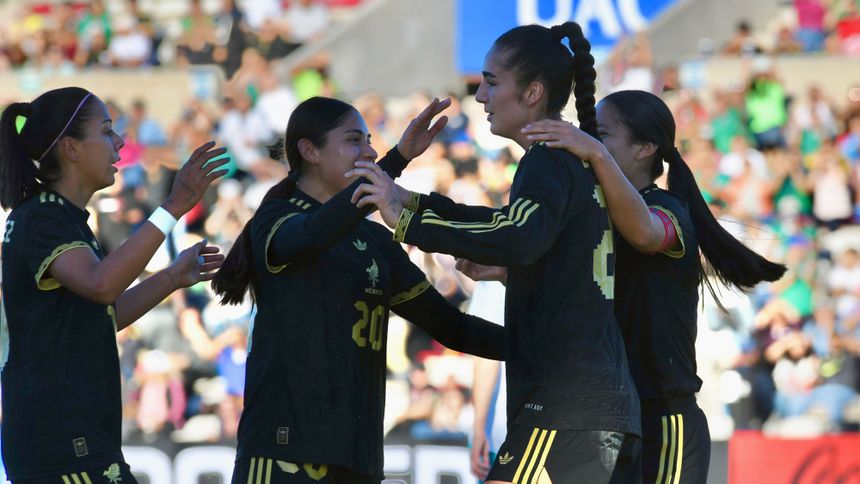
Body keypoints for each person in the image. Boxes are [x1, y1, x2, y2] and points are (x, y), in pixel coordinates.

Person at [351, 22, 641, 483]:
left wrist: (408, 218)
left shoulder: (547, 159)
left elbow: (516, 233)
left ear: (532, 93)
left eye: (490, 82)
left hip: (565, 403)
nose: (481, 97)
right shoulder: (573, 160)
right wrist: (408, 200)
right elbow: (533, 241)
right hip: (597, 401)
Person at [211, 96, 505, 484]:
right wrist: (397, 159)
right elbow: (318, 231)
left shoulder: (374, 240)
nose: (368, 150)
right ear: (309, 150)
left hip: (357, 460)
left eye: (369, 140)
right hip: (284, 454)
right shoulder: (277, 218)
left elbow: (453, 327)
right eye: (354, 140)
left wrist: (542, 346)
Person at [518, 89, 787, 483]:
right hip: (614, 416)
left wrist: (595, 155)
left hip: (666, 418)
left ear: (645, 148)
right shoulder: (598, 214)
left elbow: (645, 233)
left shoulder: (667, 208)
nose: (593, 143)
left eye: (603, 135)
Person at [0, 86, 229, 483]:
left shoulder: (63, 218)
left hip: (77, 436)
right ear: (70, 148)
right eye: (107, 131)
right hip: (62, 440)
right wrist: (174, 206)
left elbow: (100, 315)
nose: (120, 141)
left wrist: (172, 276)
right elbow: (101, 284)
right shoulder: (43, 218)